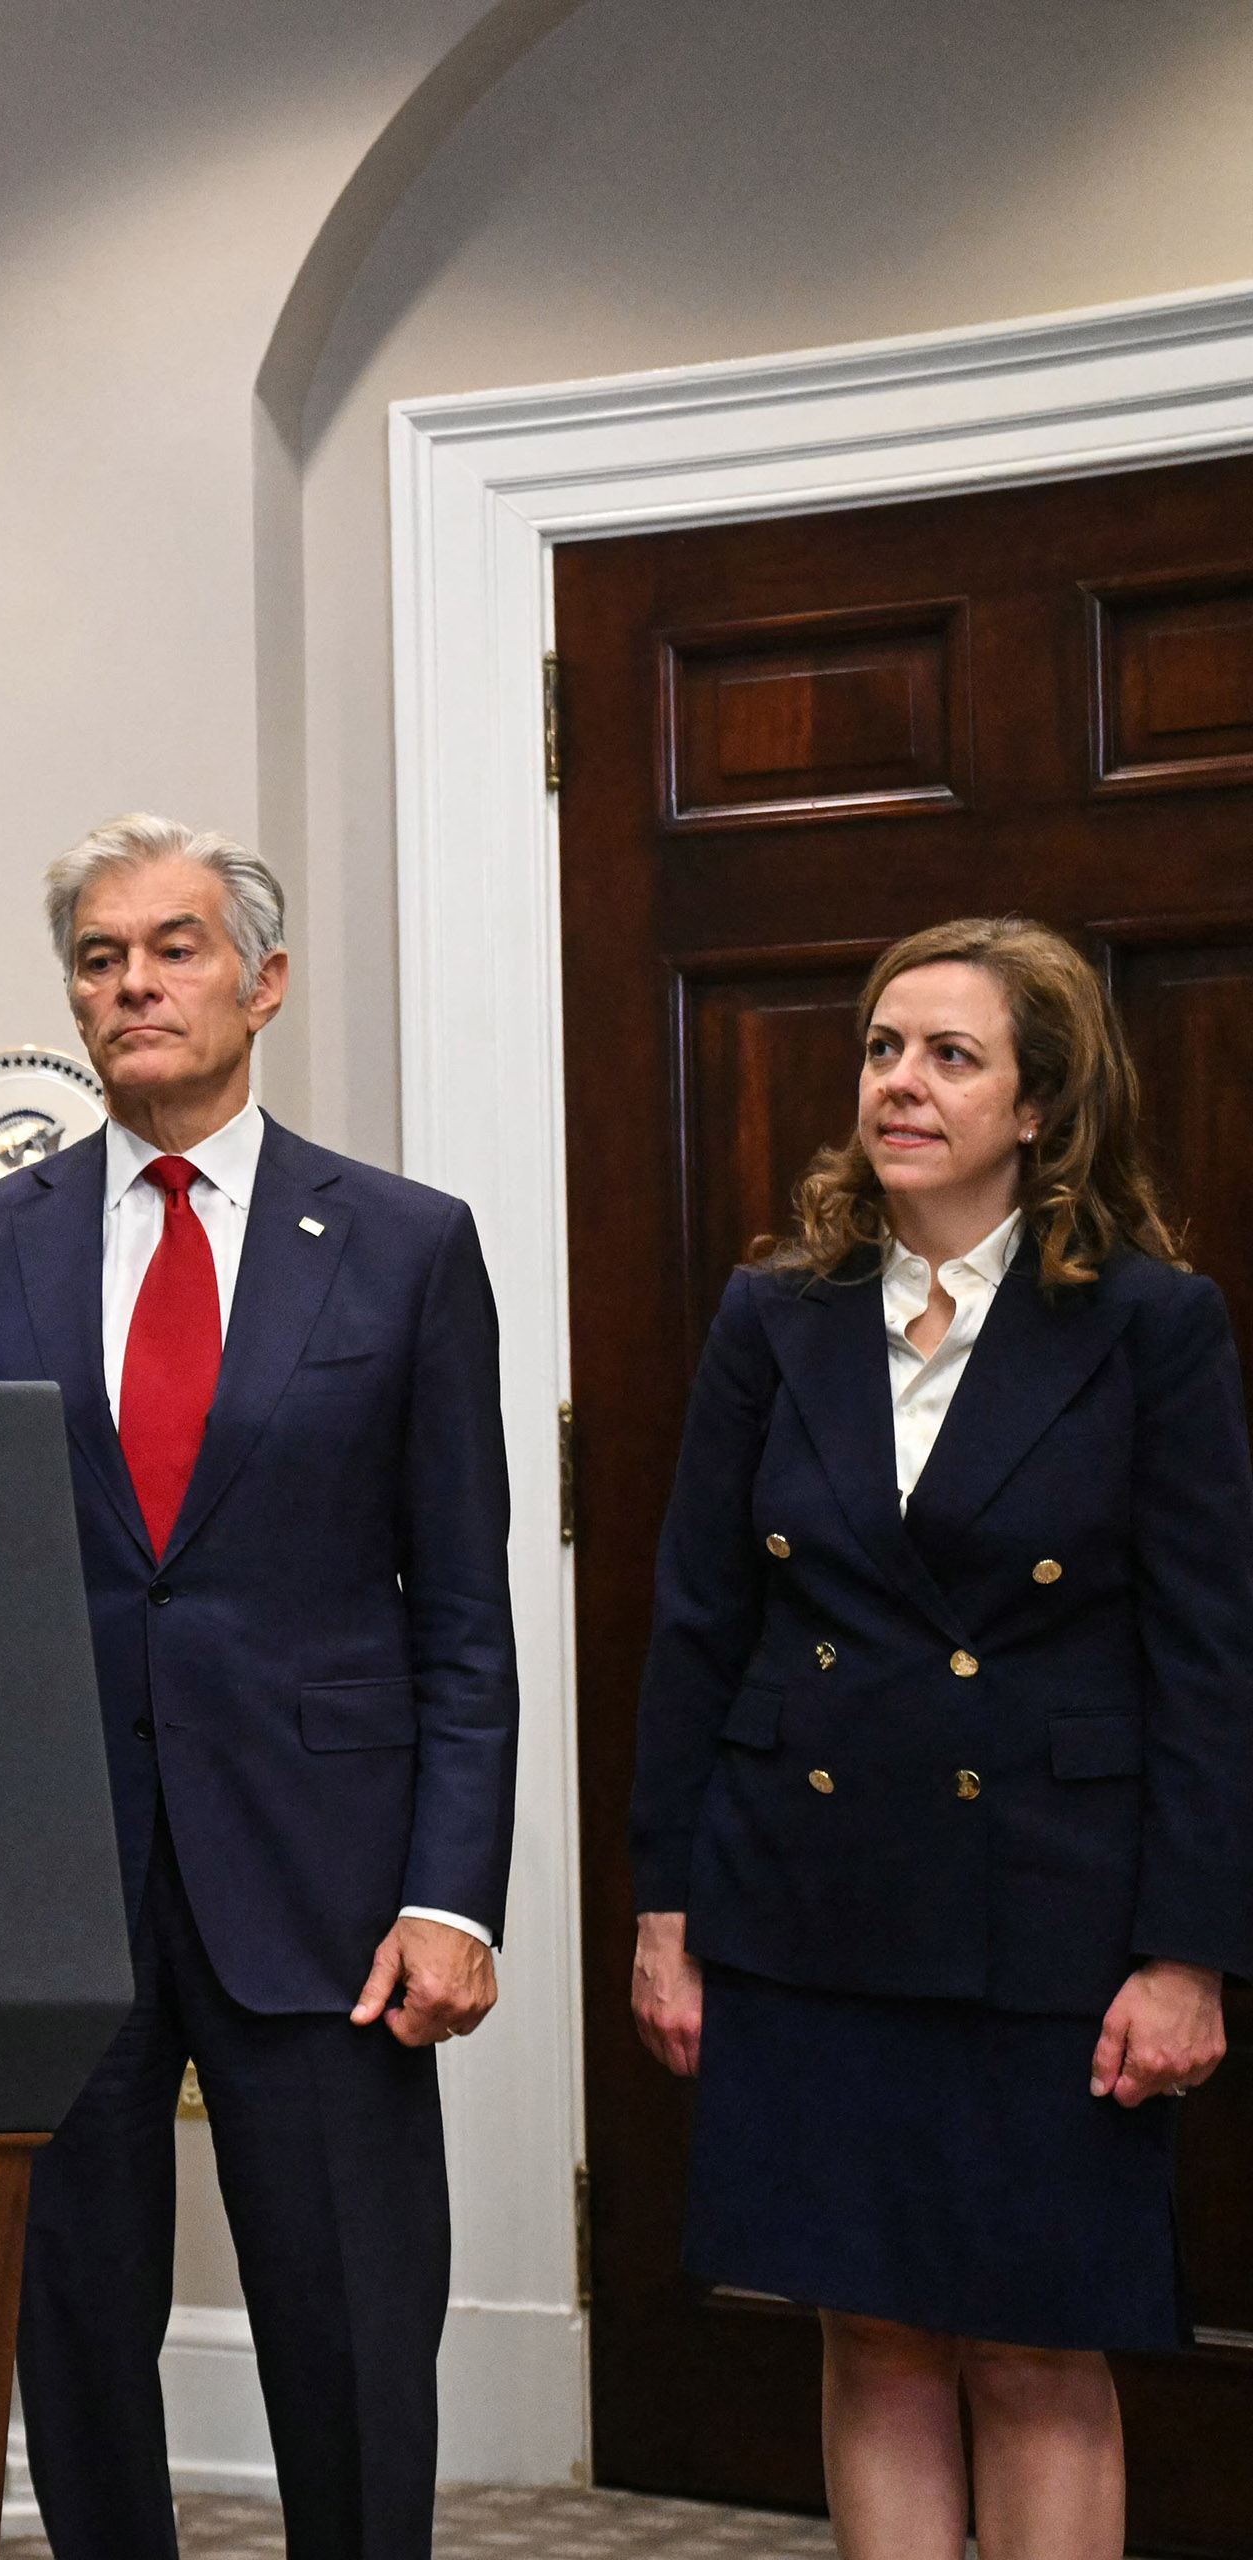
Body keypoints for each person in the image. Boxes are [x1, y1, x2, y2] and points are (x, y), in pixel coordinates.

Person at [0, 815, 514, 2560]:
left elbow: (462, 1607)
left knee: (349, 2330)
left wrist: (450, 1895)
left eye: (172, 948)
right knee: (76, 2331)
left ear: (264, 982)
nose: (133, 984)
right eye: (98, 958)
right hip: (59, 1884)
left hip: (326, 1882)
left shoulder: (400, 1247)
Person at [630, 917, 1247, 2560]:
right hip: (808, 1897)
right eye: (884, 1050)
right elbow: (699, 1622)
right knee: (875, 2326)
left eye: (950, 1056)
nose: (901, 1084)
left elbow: (1207, 1656)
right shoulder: (779, 1313)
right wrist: (667, 1904)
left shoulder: (1148, 1326)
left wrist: (1188, 1950)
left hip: (1051, 1915)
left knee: (1039, 2345)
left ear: (1043, 1105)